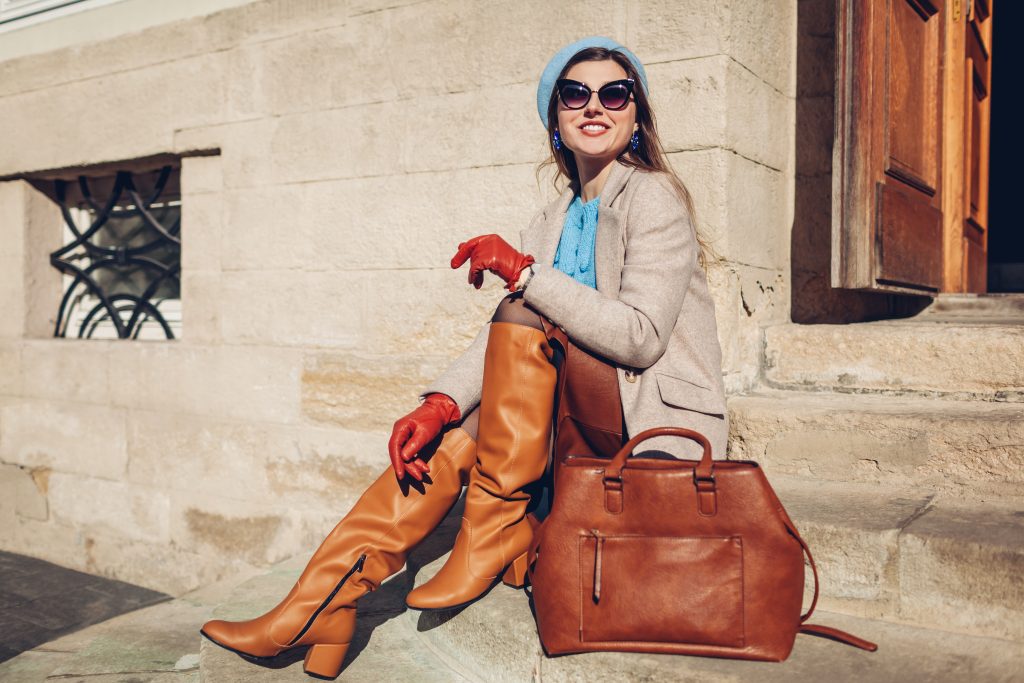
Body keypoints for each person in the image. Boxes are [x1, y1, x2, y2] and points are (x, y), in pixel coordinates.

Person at [199, 35, 728, 679]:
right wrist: (439, 402)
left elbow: (641, 337)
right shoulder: (555, 215)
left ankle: (492, 527)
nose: (595, 105)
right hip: (565, 412)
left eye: (614, 93)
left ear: (636, 114)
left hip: (637, 417)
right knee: (447, 433)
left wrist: (526, 276)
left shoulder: (653, 197)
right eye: (575, 94)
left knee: (520, 311)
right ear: (556, 121)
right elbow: (509, 338)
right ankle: (321, 604)